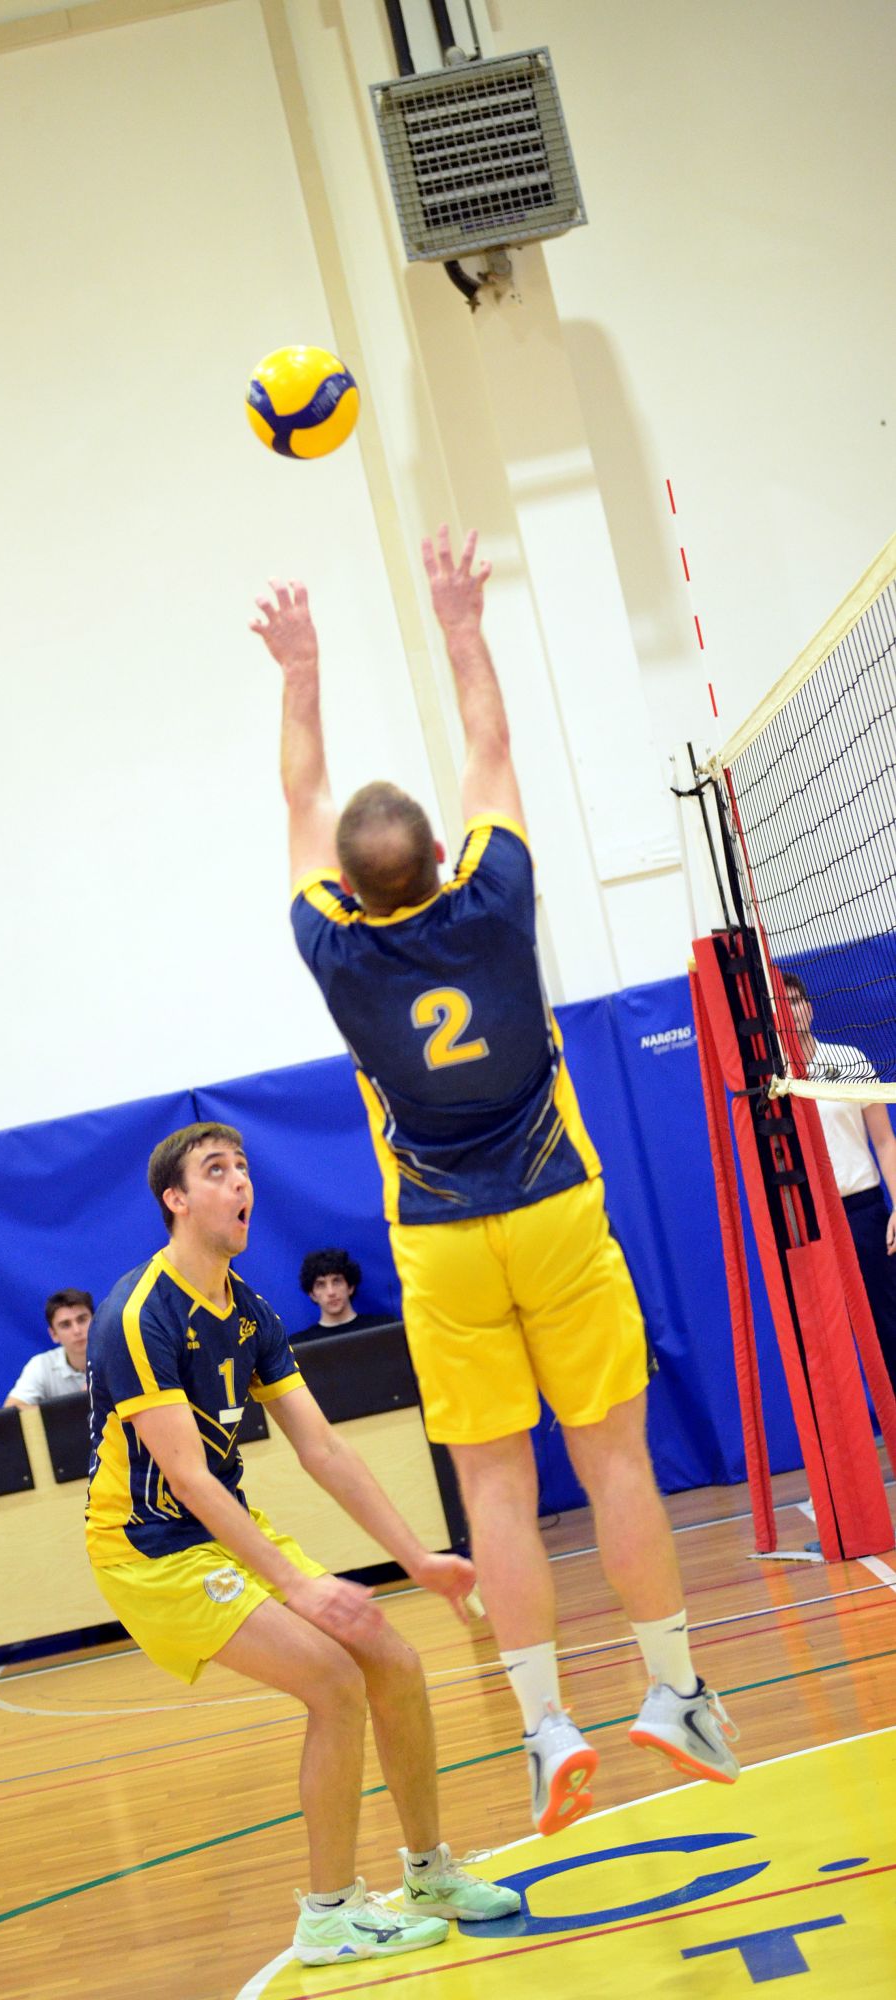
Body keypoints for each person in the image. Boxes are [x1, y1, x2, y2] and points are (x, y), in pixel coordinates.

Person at [250, 526, 741, 1839]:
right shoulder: (497, 893)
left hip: (440, 1239)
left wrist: (300, 670)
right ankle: (673, 1691)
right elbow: (492, 745)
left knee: (497, 1489)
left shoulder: (332, 948)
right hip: (555, 1206)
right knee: (617, 1460)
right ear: (441, 858)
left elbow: (299, 800)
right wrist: (460, 621)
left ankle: (543, 1727)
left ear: (350, 887)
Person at [84, 1121, 520, 1965]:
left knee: (393, 1661)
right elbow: (189, 1479)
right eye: (217, 1171)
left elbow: (322, 1448)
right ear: (176, 1200)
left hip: (216, 1529)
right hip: (150, 1551)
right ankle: (328, 1914)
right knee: (332, 1680)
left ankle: (428, 1874)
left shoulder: (249, 1311)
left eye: (243, 1167)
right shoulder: (139, 1314)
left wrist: (417, 1557)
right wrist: (296, 1582)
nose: (240, 1182)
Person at [781, 971, 896, 1388]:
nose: (792, 1010)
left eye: (796, 1000)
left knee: (889, 1325)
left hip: (863, 1213)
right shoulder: (773, 1082)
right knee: (827, 1341)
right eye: (782, 1004)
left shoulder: (850, 1060)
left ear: (810, 1007)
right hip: (809, 1221)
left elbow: (884, 1141)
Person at [5, 1289, 92, 1408]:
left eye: (82, 1320)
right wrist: (72, 1407)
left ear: (96, 1321)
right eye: (66, 1325)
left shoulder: (116, 1354)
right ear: (54, 1334)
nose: (77, 1331)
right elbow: (12, 1410)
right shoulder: (41, 1365)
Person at [294, 1248, 393, 1342]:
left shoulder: (385, 1327)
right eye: (321, 1285)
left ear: (350, 1287)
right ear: (312, 1295)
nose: (331, 1292)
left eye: (336, 1281)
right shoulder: (298, 1344)